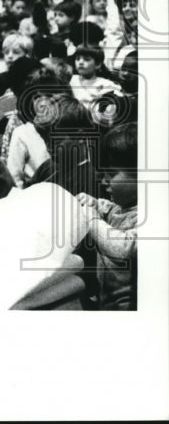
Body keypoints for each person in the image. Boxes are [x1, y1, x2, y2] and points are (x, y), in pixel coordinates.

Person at [76, 122, 137, 309]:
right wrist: (93, 203)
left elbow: (124, 248)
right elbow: (110, 209)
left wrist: (92, 219)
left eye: (111, 173)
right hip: (107, 300)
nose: (103, 181)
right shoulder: (121, 207)